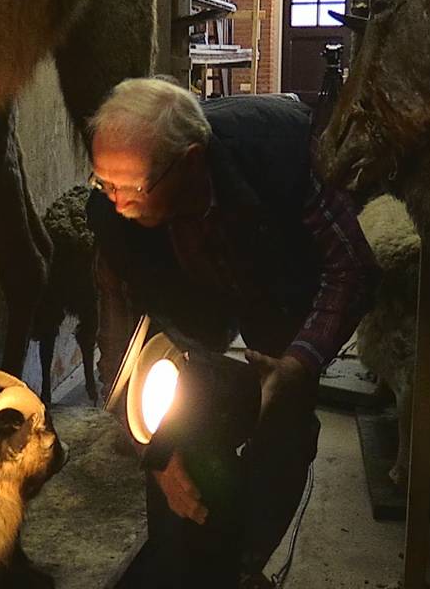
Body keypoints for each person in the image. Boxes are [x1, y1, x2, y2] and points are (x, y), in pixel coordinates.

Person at [87, 77, 378, 588]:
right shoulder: (115, 216)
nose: (116, 202)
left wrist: (300, 362)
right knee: (182, 428)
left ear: (193, 161)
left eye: (131, 187)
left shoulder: (281, 155)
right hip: (199, 315)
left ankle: (247, 566)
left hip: (280, 294)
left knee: (284, 424)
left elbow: (351, 268)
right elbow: (119, 347)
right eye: (104, 184)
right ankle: (193, 565)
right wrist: (155, 458)